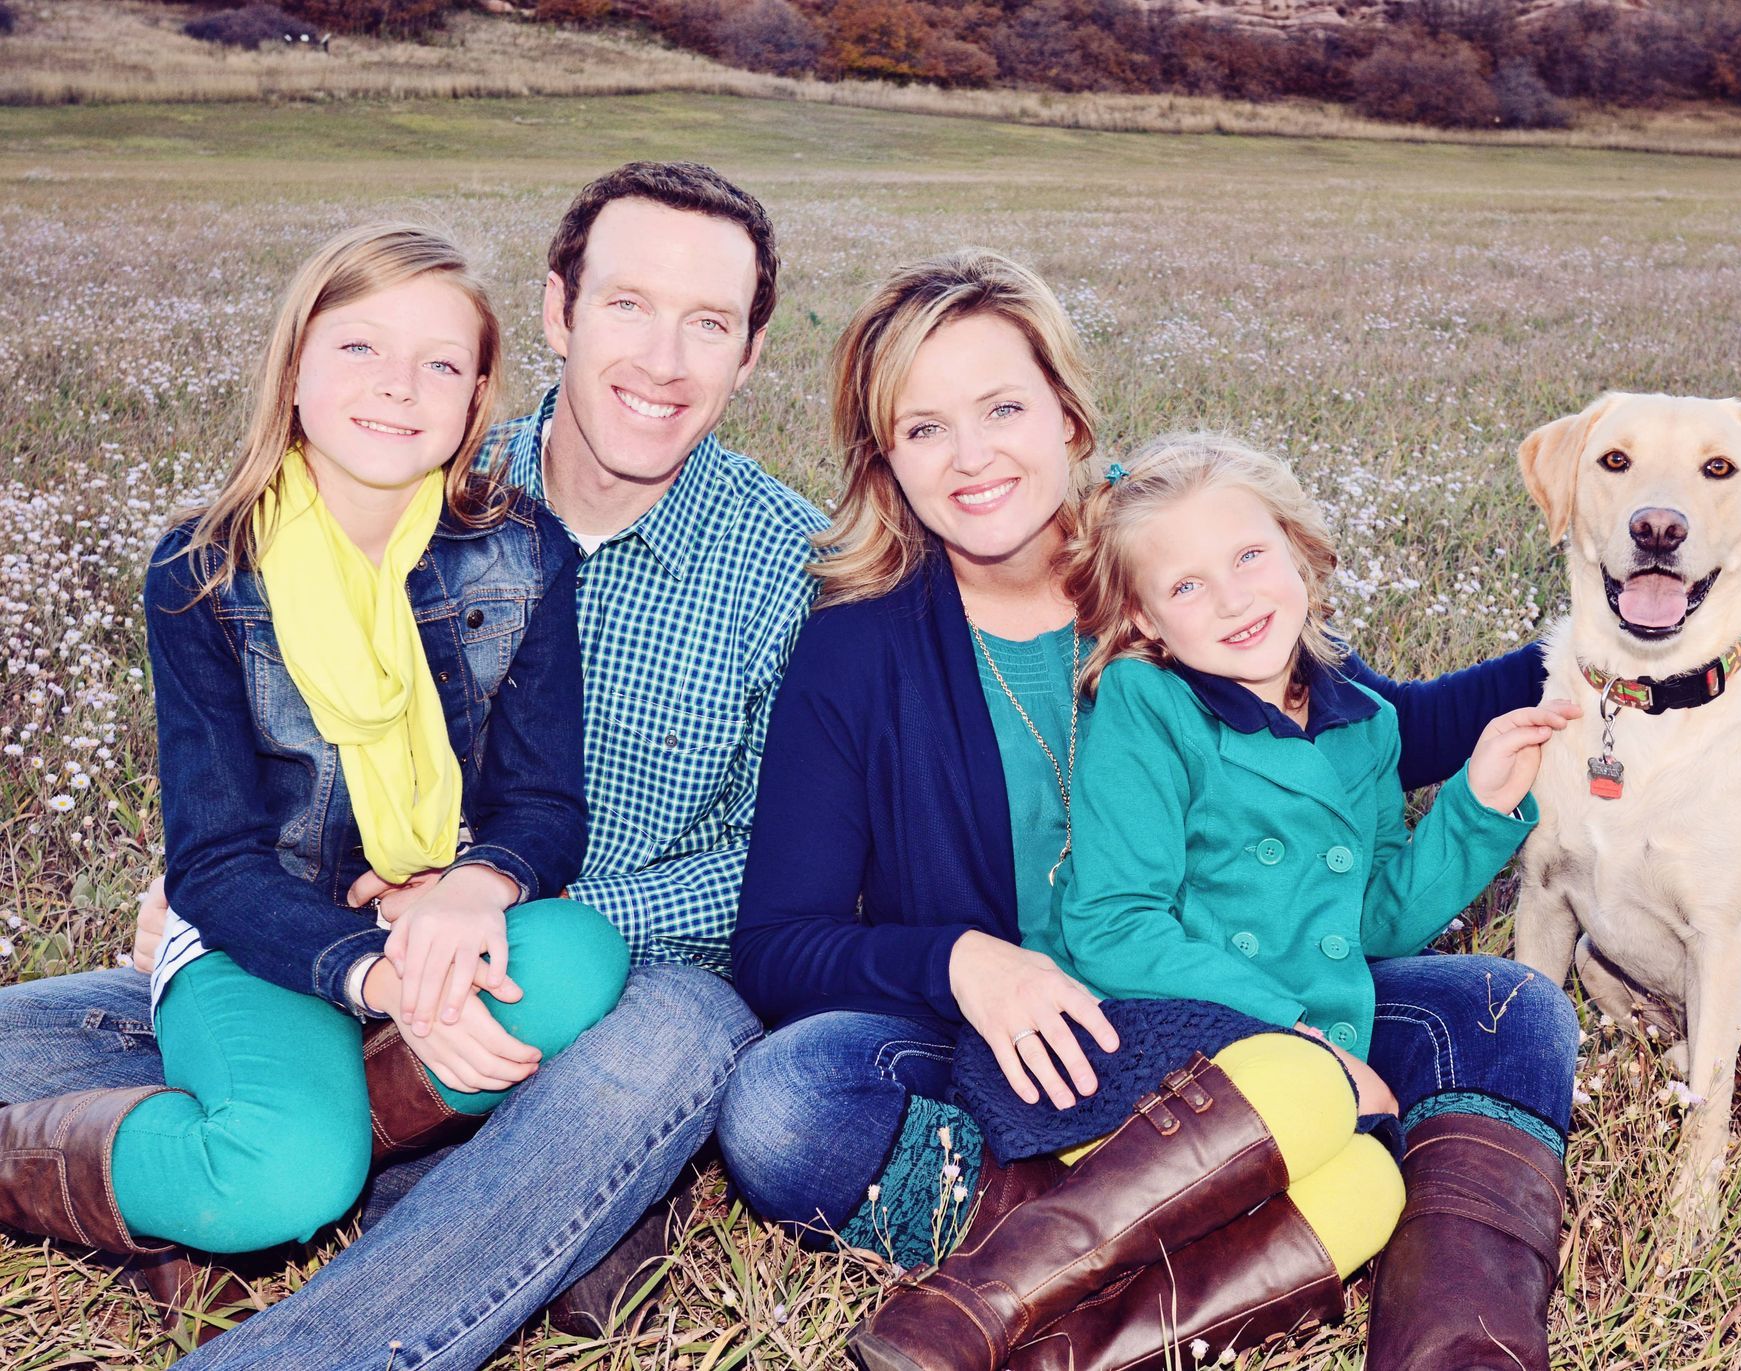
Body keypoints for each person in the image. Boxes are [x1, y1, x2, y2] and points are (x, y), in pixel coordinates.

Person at [0, 163, 820, 1369]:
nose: (663, 359)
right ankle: (395, 1150)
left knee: (654, 1054)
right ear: (557, 313)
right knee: (55, 1039)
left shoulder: (795, 564)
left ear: (750, 357)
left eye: (710, 324)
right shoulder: (427, 483)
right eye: (629, 305)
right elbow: (249, 801)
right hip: (338, 946)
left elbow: (782, 862)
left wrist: (470, 906)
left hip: (623, 968)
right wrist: (283, 911)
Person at [720, 249, 1583, 1371]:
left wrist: (1587, 651)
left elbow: (1377, 728)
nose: (973, 456)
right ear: (887, 461)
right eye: (924, 428)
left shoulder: (1168, 569)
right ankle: (1192, 1231)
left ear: (1070, 418)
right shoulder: (857, 646)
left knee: (1507, 1011)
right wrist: (966, 964)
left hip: (1238, 982)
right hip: (1024, 1054)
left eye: (1002, 407)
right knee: (786, 1108)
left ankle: (1454, 1341)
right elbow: (780, 946)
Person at [0, 219, 628, 1267]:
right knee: (279, 1178)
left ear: (477, 399)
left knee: (582, 959)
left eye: (440, 363)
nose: (399, 386)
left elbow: (544, 808)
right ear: (294, 370)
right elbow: (215, 866)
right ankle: (89, 1156)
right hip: (259, 934)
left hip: (434, 910)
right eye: (360, 348)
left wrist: (472, 890)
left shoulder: (523, 554)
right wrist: (377, 976)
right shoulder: (202, 570)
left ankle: (345, 1118)